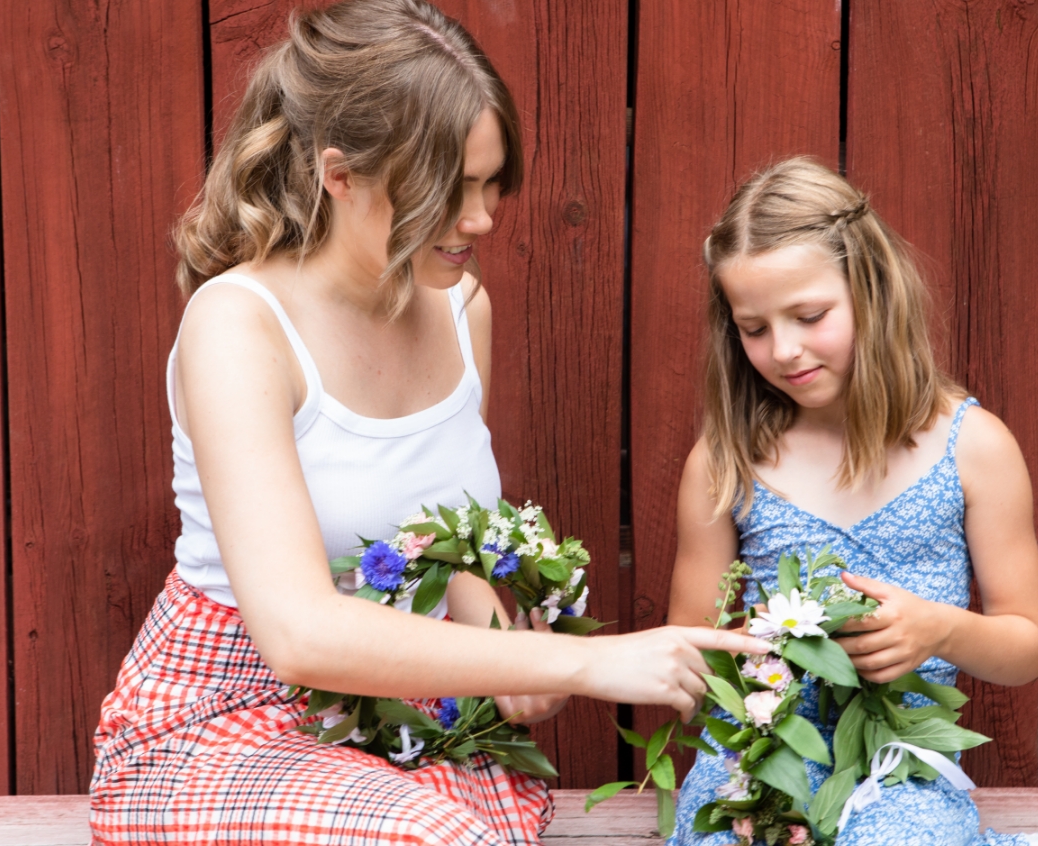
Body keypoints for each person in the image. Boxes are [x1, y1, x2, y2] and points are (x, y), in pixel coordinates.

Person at [87, 3, 770, 844]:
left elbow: (441, 545)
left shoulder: (458, 307)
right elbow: (298, 632)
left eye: (490, 184)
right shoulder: (241, 324)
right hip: (232, 715)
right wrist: (584, 660)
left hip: (402, 714)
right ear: (341, 175)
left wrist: (503, 637)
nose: (482, 218)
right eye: (453, 190)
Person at [666, 158, 1038, 846]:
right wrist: (752, 662)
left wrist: (938, 631)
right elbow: (690, 661)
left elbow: (1027, 645)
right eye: (753, 328)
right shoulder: (726, 462)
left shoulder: (972, 447)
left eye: (810, 316)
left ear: (871, 289)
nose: (783, 350)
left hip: (898, 760)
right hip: (762, 751)